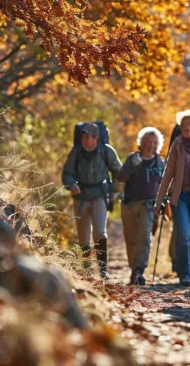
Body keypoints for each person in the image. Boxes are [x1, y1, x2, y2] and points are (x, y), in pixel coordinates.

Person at [62, 122, 122, 280]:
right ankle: (87, 270)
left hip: (100, 195)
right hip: (80, 197)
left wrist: (114, 191)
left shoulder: (106, 151)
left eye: (88, 137)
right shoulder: (76, 152)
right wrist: (71, 184)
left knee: (100, 232)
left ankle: (102, 270)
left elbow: (119, 172)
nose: (85, 140)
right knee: (83, 236)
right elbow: (66, 173)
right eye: (83, 137)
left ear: (96, 138)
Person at [155, 110, 190, 286]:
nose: (185, 127)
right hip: (181, 196)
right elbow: (168, 174)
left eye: (188, 124)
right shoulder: (177, 145)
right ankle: (184, 273)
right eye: (182, 124)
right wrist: (159, 201)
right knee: (184, 234)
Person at [118, 127, 165, 286]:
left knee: (144, 237)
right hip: (129, 204)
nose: (151, 145)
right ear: (141, 142)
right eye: (148, 141)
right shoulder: (133, 158)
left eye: (154, 142)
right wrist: (132, 166)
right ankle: (133, 269)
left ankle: (139, 270)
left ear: (158, 144)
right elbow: (121, 176)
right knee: (131, 238)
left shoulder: (160, 163)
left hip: (149, 205)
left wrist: (163, 202)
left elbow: (165, 185)